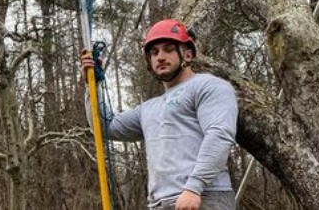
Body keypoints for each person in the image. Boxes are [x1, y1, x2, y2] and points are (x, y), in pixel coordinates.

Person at [81, 19, 238, 210]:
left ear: (187, 54)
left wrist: (193, 188)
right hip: (160, 204)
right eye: (154, 52)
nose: (160, 57)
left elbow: (219, 135)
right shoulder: (148, 108)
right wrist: (93, 84)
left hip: (203, 198)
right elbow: (105, 127)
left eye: (168, 49)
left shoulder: (208, 86)